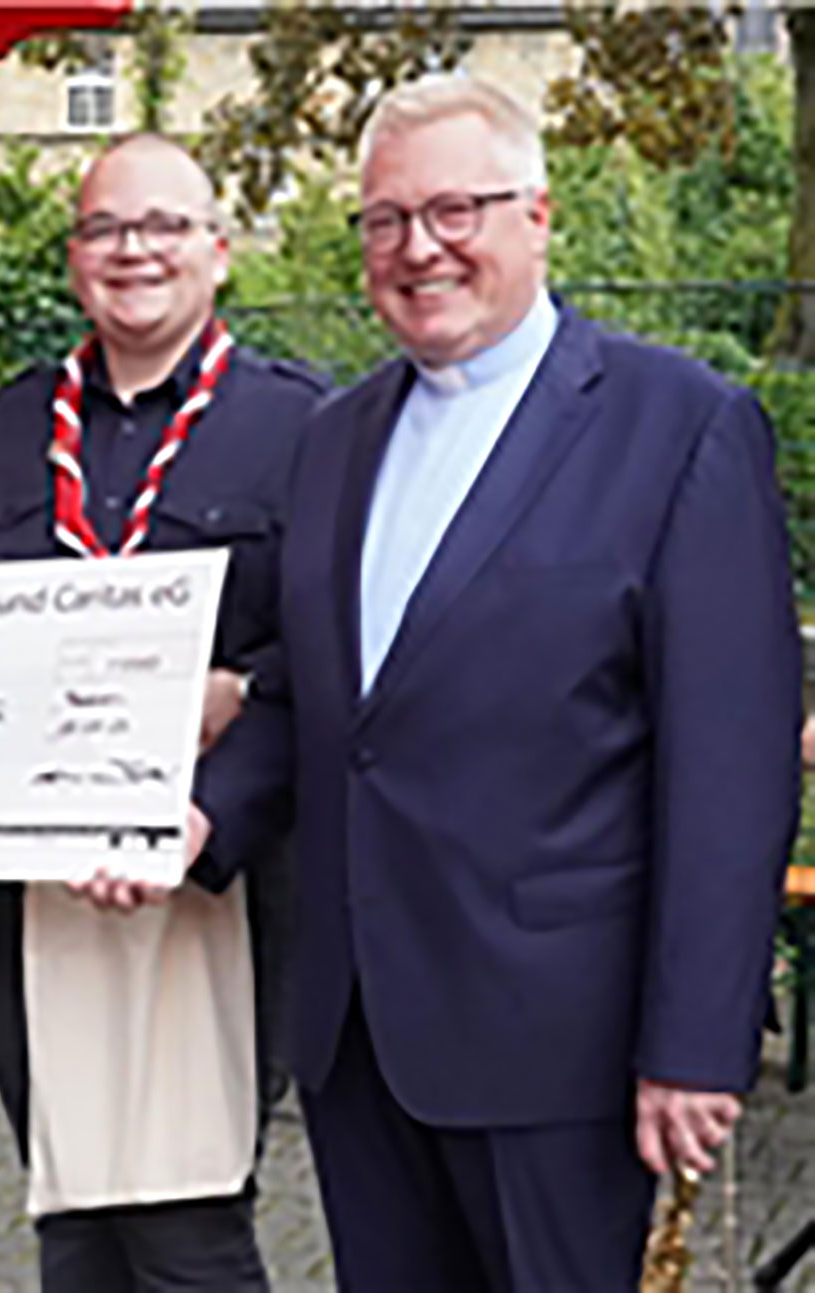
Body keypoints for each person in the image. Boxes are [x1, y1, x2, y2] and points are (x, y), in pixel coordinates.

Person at [186, 75, 801, 1289]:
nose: (418, 247)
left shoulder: (678, 425)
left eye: (453, 210)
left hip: (558, 1046)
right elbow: (319, 699)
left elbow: (727, 766)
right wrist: (199, 819)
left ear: (536, 214)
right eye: (384, 219)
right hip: (358, 1033)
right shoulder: (333, 438)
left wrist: (693, 1040)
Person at [0, 134, 325, 1291]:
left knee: (187, 1229)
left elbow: (334, 652)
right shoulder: (6, 426)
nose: (132, 250)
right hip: (30, 884)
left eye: (162, 226)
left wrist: (236, 716)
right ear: (72, 257)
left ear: (218, 251)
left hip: (215, 881)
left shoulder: (305, 425)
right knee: (72, 1213)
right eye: (103, 228)